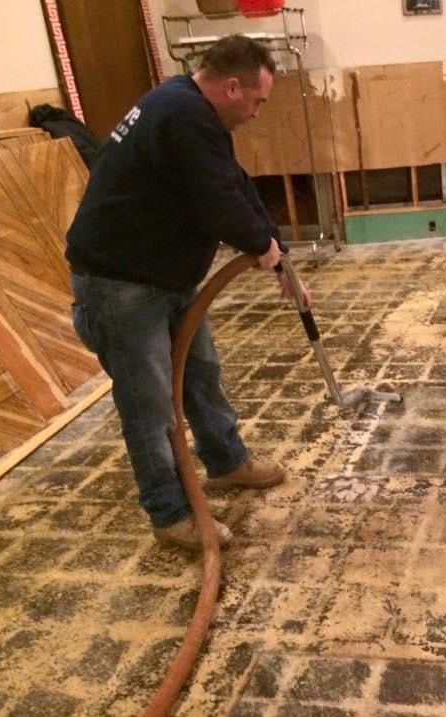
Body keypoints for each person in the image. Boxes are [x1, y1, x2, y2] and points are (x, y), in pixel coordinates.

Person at [66, 35, 308, 550]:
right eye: (258, 101)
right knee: (150, 405)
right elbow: (218, 201)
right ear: (232, 86)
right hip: (120, 285)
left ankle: (225, 461)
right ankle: (171, 514)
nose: (258, 114)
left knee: (199, 373)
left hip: (163, 278)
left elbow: (234, 183)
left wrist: (275, 250)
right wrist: (259, 246)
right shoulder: (183, 114)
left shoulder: (191, 108)